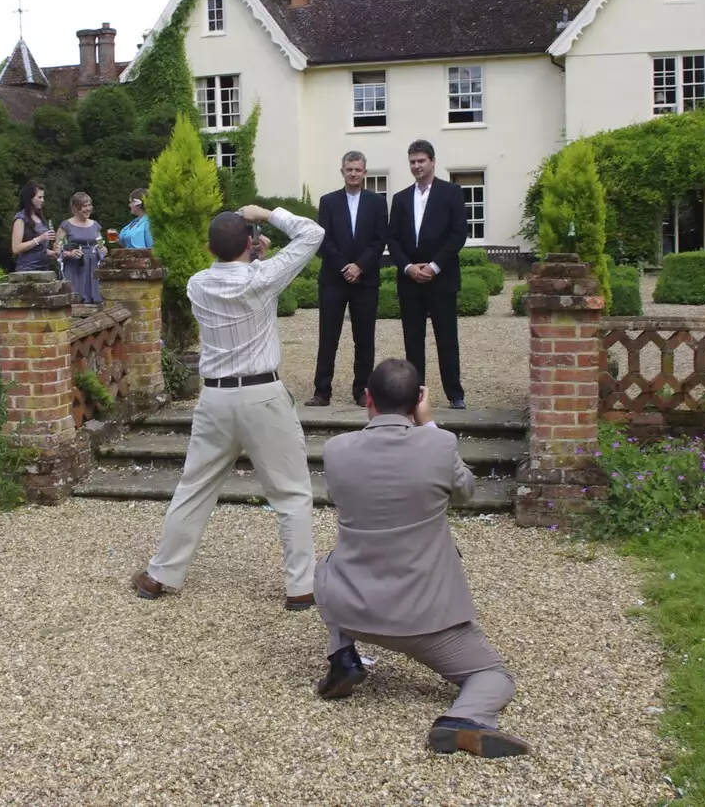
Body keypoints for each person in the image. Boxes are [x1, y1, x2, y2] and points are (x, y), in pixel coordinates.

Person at [313, 358, 531, 759]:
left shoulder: (337, 450)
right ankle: (464, 719)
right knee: (492, 675)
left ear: (367, 400)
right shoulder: (439, 443)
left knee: (323, 565)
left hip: (354, 608)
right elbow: (466, 492)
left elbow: (338, 498)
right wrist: (429, 425)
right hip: (427, 621)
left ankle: (342, 654)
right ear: (417, 402)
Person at [132, 203, 325, 609]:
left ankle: (160, 574)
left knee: (194, 487)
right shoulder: (262, 277)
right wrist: (269, 214)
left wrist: (253, 255)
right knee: (291, 494)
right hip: (263, 396)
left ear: (208, 247)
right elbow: (312, 234)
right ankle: (300, 587)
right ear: (250, 245)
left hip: (215, 397)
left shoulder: (196, 283)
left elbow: (237, 279)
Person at [386, 140, 469, 409]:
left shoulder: (452, 193)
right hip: (410, 280)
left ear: (433, 161)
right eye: (412, 161)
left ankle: (455, 394)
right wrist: (409, 267)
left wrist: (434, 267)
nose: (416, 166)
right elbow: (393, 239)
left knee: (446, 339)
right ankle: (415, 394)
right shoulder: (400, 198)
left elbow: (458, 234)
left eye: (421, 161)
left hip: (441, 278)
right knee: (413, 340)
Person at [308, 151, 388, 408]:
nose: (353, 173)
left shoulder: (377, 203)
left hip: (365, 281)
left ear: (365, 172)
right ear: (342, 171)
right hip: (334, 278)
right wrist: (345, 266)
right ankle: (322, 391)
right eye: (349, 169)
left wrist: (360, 266)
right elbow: (323, 240)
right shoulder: (328, 202)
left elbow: (379, 241)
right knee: (328, 336)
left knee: (364, 338)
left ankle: (362, 389)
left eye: (358, 169)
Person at [58, 192, 108, 304]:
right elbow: (57, 249)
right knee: (74, 300)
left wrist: (103, 249)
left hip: (92, 267)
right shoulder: (66, 226)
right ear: (75, 208)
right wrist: (69, 253)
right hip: (74, 267)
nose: (88, 209)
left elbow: (100, 245)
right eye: (84, 206)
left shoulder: (95, 225)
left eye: (89, 205)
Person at [10, 180, 56, 272]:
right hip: (27, 269)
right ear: (30, 198)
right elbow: (16, 248)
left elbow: (36, 249)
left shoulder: (40, 218)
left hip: (44, 268)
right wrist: (40, 238)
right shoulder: (20, 219)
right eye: (39, 197)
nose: (42, 200)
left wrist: (51, 253)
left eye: (43, 197)